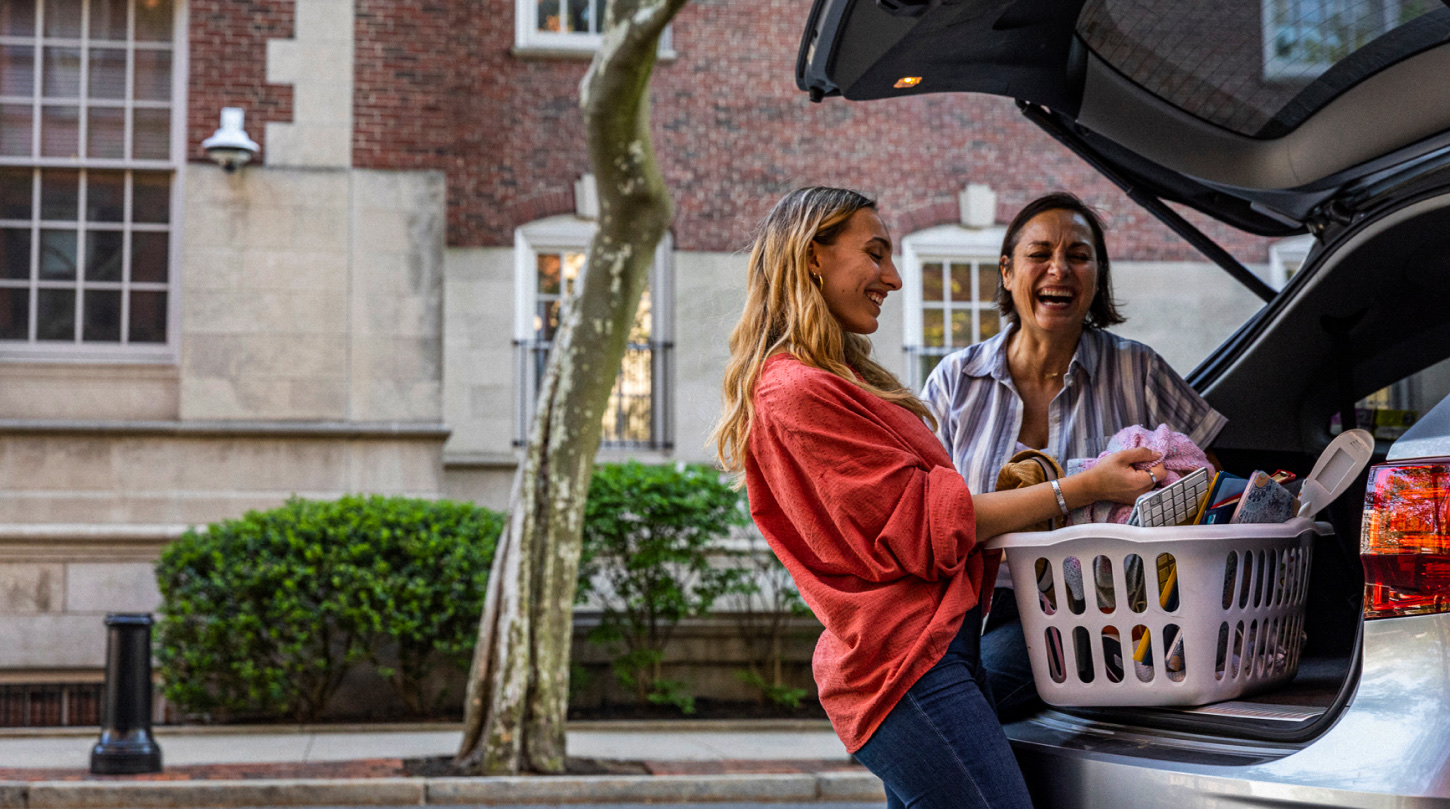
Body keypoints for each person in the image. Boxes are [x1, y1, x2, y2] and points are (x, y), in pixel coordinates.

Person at [712, 187, 1166, 809]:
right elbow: (931, 527)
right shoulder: (794, 393)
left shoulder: (832, 383)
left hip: (939, 650)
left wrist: (1010, 493)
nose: (892, 278)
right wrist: (1082, 489)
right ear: (811, 256)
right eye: (874, 254)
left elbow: (920, 512)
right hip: (906, 667)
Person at [921, 192, 1227, 720]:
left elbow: (1209, 481)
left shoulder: (1140, 371)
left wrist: (1164, 481)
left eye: (1079, 255)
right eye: (1040, 253)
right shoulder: (954, 381)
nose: (1059, 268)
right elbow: (925, 516)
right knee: (908, 695)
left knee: (945, 705)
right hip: (962, 605)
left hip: (1088, 612)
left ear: (1097, 276)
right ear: (1008, 271)